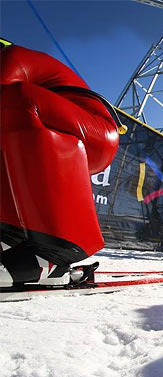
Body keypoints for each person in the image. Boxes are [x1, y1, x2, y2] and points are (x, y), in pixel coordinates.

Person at [1, 40, 121, 287]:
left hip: (98, 132)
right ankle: (11, 235)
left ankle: (56, 252)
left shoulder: (10, 56)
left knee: (15, 98)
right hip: (56, 124)